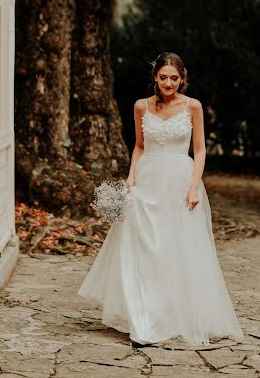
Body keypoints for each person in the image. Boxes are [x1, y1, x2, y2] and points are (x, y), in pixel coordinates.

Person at [78, 52, 244, 347]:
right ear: (155, 77)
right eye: (164, 77)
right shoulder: (141, 106)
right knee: (144, 246)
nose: (169, 83)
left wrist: (194, 187)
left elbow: (201, 150)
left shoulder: (192, 106)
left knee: (174, 247)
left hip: (180, 181)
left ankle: (172, 312)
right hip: (147, 180)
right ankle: (143, 315)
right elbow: (140, 146)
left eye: (175, 78)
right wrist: (130, 178)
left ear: (183, 79)